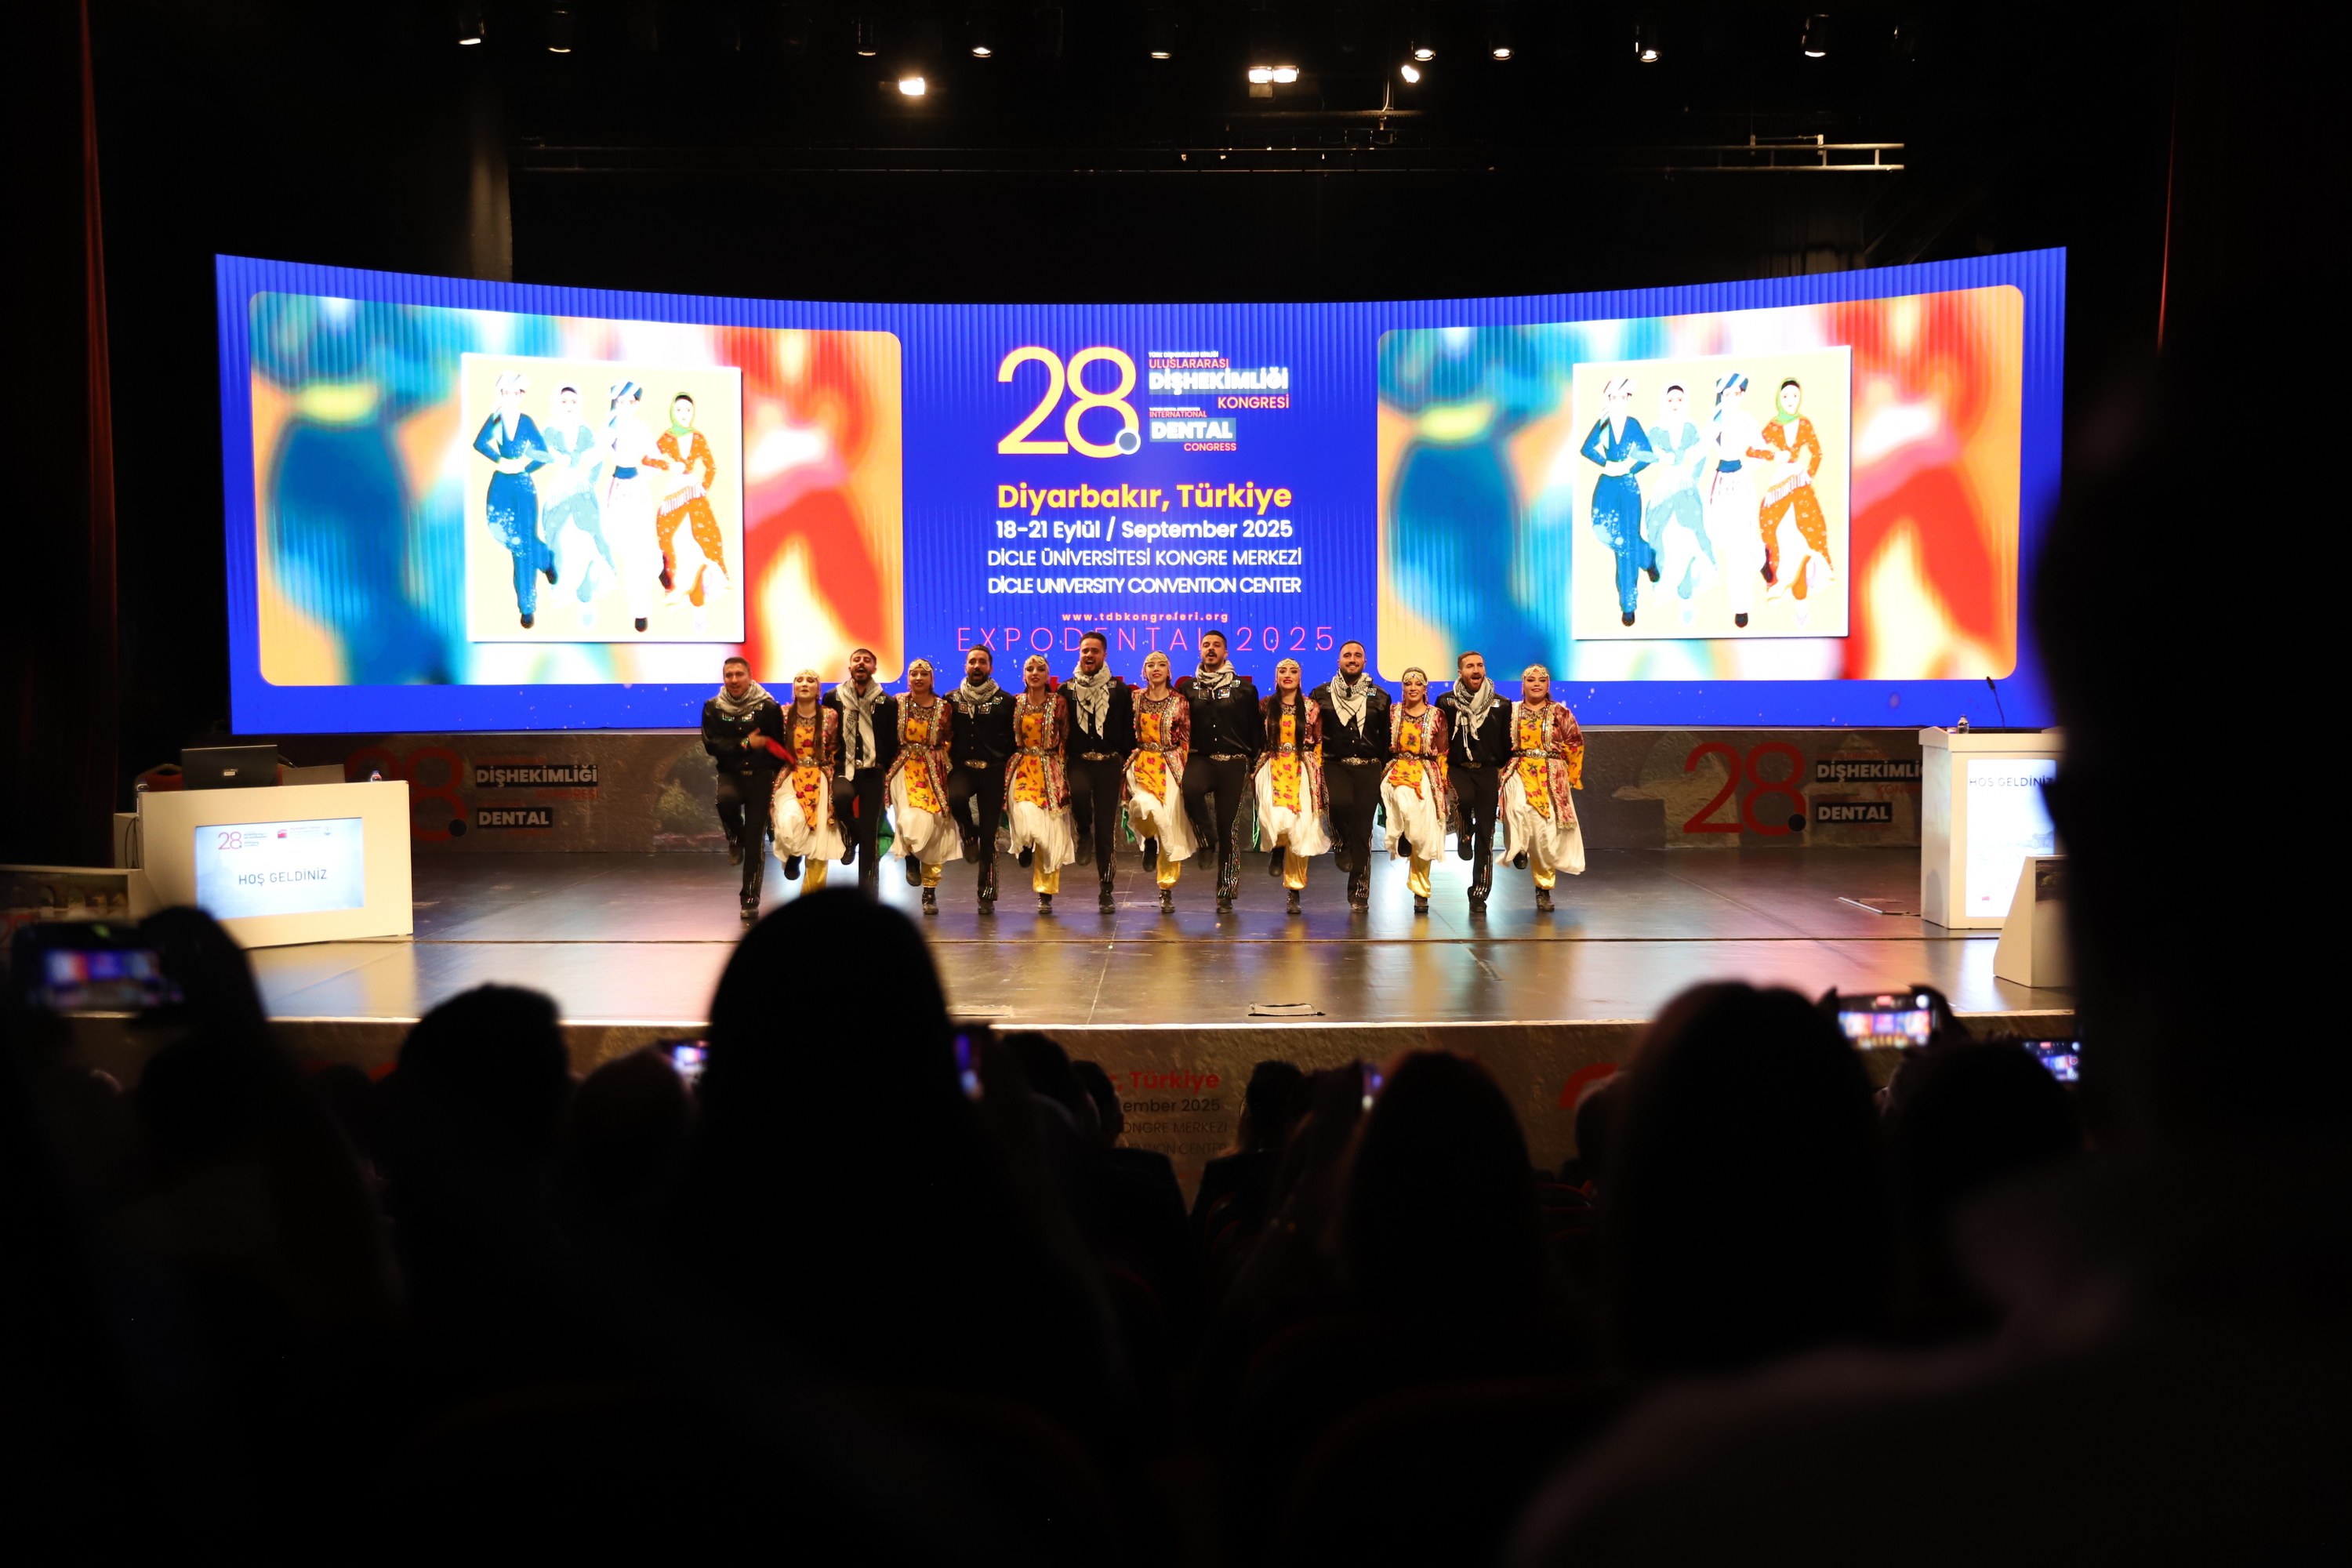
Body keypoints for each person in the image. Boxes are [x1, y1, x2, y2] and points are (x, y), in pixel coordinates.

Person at [1178, 630, 1265, 910]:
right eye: (1206, 645)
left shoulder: (1244, 689)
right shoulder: (1188, 688)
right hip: (1201, 758)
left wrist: (1253, 761)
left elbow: (1255, 729)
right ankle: (1206, 840)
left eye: (1216, 645)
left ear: (1226, 652)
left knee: (1229, 828)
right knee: (1190, 789)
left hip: (1234, 761)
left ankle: (1226, 891)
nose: (1211, 649)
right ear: (1200, 651)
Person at [701, 655, 785, 924]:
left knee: (756, 842)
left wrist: (777, 782)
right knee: (724, 802)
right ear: (724, 678)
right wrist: (745, 744)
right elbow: (712, 745)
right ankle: (735, 837)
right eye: (729, 675)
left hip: (761, 778)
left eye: (739, 674)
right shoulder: (713, 707)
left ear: (749, 677)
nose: (734, 680)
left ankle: (750, 899)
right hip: (731, 775)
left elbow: (778, 745)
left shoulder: (768, 707)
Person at [1499, 663, 1587, 913]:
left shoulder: (1560, 713)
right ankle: (1519, 848)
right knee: (1516, 808)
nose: (1536, 684)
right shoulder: (1511, 711)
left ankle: (1543, 888)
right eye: (1531, 680)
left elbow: (1575, 742)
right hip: (1518, 768)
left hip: (1550, 775)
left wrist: (1569, 774)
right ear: (1523, 685)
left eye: (1541, 680)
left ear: (1548, 685)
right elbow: (1499, 742)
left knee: (1545, 834)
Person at [1310, 641, 1392, 909]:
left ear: (1365, 662)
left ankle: (1360, 892)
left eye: (1358, 655)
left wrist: (1383, 771)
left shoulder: (1380, 696)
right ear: (1339, 661)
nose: (1352, 659)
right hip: (1335, 764)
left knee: (1363, 831)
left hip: (1368, 766)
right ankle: (1340, 842)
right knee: (1338, 803)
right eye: (1347, 655)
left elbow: (1386, 738)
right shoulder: (1320, 694)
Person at [472, 370, 554, 628]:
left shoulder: (526, 421)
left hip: (523, 485)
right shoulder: (496, 419)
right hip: (501, 483)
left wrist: (525, 467)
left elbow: (543, 454)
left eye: (514, 393)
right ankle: (545, 558)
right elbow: (480, 443)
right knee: (500, 529)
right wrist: (500, 460)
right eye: (505, 393)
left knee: (522, 546)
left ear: (521, 395)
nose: (509, 397)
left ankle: (527, 607)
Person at [1061, 631, 1134, 913]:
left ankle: (1106, 888)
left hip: (1108, 763)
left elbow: (1128, 731)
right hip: (1079, 761)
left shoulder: (1120, 691)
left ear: (1104, 655)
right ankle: (1083, 831)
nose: (1089, 655)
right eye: (1085, 651)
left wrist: (1124, 762)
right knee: (1079, 795)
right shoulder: (1066, 690)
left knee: (1105, 829)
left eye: (1094, 651)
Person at [1254, 658, 1332, 916]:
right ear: (1276, 676)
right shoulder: (1266, 705)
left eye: (1293, 671)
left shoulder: (1311, 708)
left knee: (1301, 828)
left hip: (1302, 767)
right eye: (1282, 671)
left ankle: (1294, 890)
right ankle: (1277, 847)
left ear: (1300, 677)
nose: (1288, 675)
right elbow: (1256, 738)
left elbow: (1318, 741)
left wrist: (1315, 770)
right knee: (1275, 818)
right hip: (1273, 764)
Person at [1581, 375, 1658, 627]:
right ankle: (1647, 557)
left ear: (1628, 399)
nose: (1618, 402)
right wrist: (1607, 463)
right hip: (1607, 483)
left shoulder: (1633, 424)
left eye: (1622, 397)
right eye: (1613, 397)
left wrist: (1630, 468)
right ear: (1608, 399)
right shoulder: (1603, 424)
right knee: (1603, 529)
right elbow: (1587, 449)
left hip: (1628, 486)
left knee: (1625, 546)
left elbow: (1648, 454)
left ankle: (1628, 605)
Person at [1437, 651, 1512, 910]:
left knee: (1486, 833)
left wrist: (1502, 771)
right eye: (1470, 666)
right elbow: (1439, 737)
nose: (1476, 669)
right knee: (1464, 798)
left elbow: (1507, 743)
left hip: (1488, 771)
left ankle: (1479, 892)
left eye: (1480, 665)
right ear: (1460, 672)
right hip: (1458, 768)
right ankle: (1463, 831)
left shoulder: (1502, 704)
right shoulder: (1446, 702)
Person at [884, 657, 959, 915]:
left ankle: (930, 891)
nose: (918, 678)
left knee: (934, 826)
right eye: (913, 673)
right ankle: (910, 857)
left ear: (931, 679)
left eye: (923, 674)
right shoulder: (898, 703)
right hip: (904, 767)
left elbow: (949, 736)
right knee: (909, 819)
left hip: (933, 770)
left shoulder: (944, 707)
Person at [945, 645, 1017, 913]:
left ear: (990, 668)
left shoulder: (1006, 701)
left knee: (989, 836)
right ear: (965, 666)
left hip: (992, 772)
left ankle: (986, 895)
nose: (977, 666)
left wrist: (1003, 763)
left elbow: (1013, 739)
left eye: (982, 662)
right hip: (962, 768)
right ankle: (967, 833)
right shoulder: (951, 699)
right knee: (955, 798)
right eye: (972, 661)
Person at [1758, 377, 1838, 615]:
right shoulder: (1773, 426)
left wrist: (1809, 475)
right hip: (1781, 481)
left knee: (1811, 530)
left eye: (1794, 396)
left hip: (1800, 481)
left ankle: (1802, 590)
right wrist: (1774, 456)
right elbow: (1752, 449)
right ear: (1779, 399)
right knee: (1774, 529)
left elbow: (1817, 453)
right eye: (1786, 396)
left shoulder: (1804, 424)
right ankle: (1782, 581)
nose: (1790, 400)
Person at [1006, 653, 1078, 914]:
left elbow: (1065, 735)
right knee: (1025, 814)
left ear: (1048, 675)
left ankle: (1045, 893)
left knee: (1049, 833)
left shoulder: (1058, 703)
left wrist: (1062, 768)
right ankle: (1025, 844)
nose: (1034, 673)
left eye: (1040, 669)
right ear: (1023, 675)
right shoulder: (1016, 703)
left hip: (1050, 769)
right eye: (1030, 669)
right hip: (1023, 766)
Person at [1124, 650, 1195, 913]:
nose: (1156, 668)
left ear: (1169, 671)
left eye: (1161, 664)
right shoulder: (1135, 699)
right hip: (1142, 762)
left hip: (1170, 766)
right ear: (1144, 671)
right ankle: (1148, 837)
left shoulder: (1179, 702)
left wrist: (1183, 770)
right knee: (1142, 807)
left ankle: (1166, 888)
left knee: (1170, 824)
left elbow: (1186, 738)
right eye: (1150, 665)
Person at [822, 647, 897, 898]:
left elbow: (891, 739)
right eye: (857, 660)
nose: (861, 664)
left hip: (873, 772)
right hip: (844, 767)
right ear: (850, 667)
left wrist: (883, 764)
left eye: (867, 660)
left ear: (874, 668)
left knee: (870, 833)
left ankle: (868, 894)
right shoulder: (833, 697)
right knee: (841, 799)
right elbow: (827, 731)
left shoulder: (887, 702)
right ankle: (851, 834)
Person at [1703, 371, 1773, 630]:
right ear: (1721, 395)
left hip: (1741, 484)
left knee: (1739, 546)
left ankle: (1741, 607)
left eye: (1736, 393)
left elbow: (1761, 450)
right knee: (1721, 534)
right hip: (1720, 483)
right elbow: (1701, 447)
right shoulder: (1715, 419)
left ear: (1742, 394)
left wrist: (1747, 467)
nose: (1732, 398)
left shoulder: (1747, 420)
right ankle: (1761, 558)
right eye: (1727, 394)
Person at [539, 383, 615, 619]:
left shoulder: (585, 431)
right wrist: (556, 458)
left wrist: (590, 481)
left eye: (573, 401)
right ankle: (562, 588)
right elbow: (537, 453)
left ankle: (586, 591)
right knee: (559, 539)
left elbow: (597, 460)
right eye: (564, 401)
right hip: (559, 491)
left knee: (587, 539)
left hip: (582, 489)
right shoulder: (550, 430)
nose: (569, 406)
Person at [652, 392, 731, 614]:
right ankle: (676, 586)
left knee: (706, 535)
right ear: (672, 412)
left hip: (694, 491)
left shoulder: (698, 438)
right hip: (675, 491)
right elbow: (648, 459)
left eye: (688, 410)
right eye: (679, 409)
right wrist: (668, 466)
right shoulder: (668, 437)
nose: (684, 414)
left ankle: (702, 587)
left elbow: (711, 467)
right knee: (669, 535)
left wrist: (704, 486)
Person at [1644, 382, 1715, 626]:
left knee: (1690, 540)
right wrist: (1659, 457)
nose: (1675, 404)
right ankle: (1664, 583)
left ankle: (1686, 594)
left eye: (1679, 399)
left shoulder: (1690, 427)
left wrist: (1694, 477)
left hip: (1686, 486)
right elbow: (1640, 453)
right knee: (1661, 535)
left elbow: (1701, 455)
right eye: (1671, 399)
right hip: (1665, 488)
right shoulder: (1656, 429)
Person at [1382, 666, 1453, 914]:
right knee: (1403, 797)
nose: (1413, 688)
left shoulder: (1437, 715)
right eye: (1408, 684)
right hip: (1398, 767)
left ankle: (1420, 890)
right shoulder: (1392, 713)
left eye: (1418, 684)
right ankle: (1404, 833)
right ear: (1402, 688)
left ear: (1425, 688)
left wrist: (1442, 783)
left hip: (1426, 771)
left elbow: (1442, 751)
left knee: (1424, 833)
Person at [600, 379, 666, 633]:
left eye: (631, 401)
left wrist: (642, 476)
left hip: (636, 490)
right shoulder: (610, 426)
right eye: (621, 401)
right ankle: (657, 563)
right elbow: (596, 454)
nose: (626, 405)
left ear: (637, 403)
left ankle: (641, 610)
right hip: (616, 489)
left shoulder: (641, 428)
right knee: (617, 540)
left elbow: (657, 460)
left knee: (638, 550)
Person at [768, 669, 844, 891]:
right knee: (789, 820)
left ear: (818, 689)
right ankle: (793, 854)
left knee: (820, 842)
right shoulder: (783, 714)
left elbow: (834, 746)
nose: (804, 684)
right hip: (792, 775)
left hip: (820, 778)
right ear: (794, 687)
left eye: (810, 681)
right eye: (799, 680)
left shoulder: (830, 715)